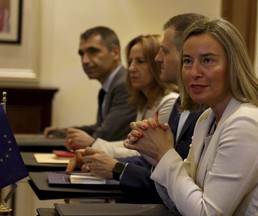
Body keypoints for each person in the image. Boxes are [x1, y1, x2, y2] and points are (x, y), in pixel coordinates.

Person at [124, 17, 258, 215]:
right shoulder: (207, 118)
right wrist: (156, 157)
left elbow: (206, 213)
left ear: (233, 66)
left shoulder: (246, 123)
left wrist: (165, 154)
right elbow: (178, 201)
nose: (193, 72)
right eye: (187, 61)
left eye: (207, 60)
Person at [66, 13, 205, 203]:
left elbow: (175, 177)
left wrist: (114, 166)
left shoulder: (195, 108)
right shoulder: (179, 102)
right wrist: (101, 161)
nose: (158, 58)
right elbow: (155, 163)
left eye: (164, 51)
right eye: (131, 61)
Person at [66, 34, 178, 195]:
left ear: (157, 63)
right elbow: (130, 144)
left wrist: (95, 148)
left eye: (140, 62)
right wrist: (94, 155)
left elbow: (143, 152)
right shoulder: (145, 102)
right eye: (130, 61)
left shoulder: (169, 102)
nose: (131, 68)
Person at [44, 26, 137, 148]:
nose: (85, 60)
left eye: (93, 51)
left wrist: (74, 136)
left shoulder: (125, 84)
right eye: (82, 54)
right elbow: (100, 126)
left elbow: (106, 135)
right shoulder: (111, 85)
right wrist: (66, 132)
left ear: (115, 53)